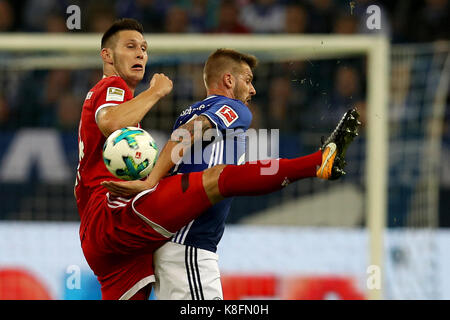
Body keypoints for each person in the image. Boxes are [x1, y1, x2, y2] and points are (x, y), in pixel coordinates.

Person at [101, 47, 361, 300]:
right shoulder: (234, 108)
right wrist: (151, 180)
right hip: (189, 243)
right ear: (228, 79)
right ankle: (317, 162)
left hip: (177, 242)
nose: (253, 89)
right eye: (247, 80)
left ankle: (316, 162)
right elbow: (194, 131)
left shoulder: (186, 113)